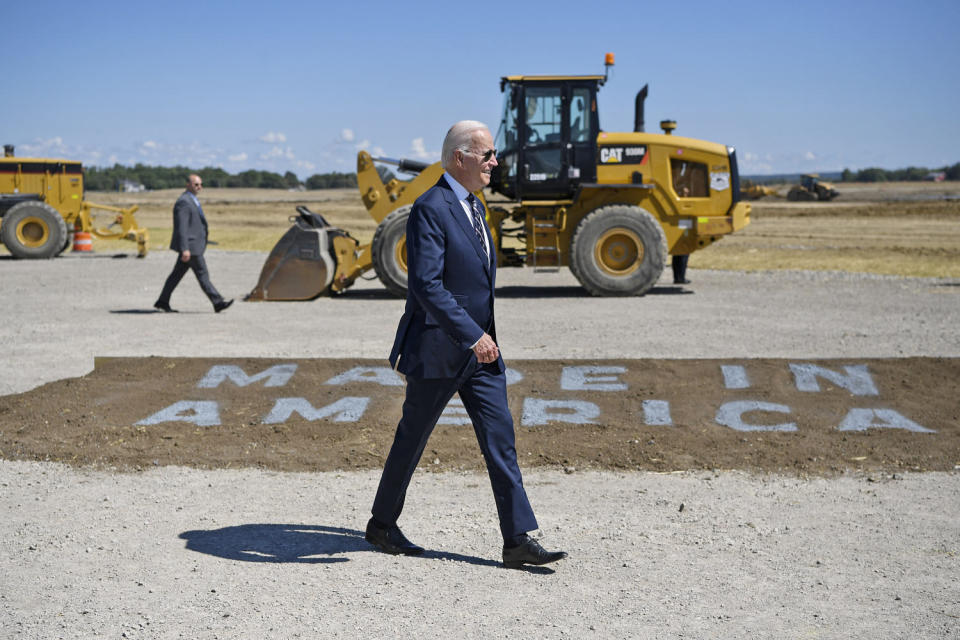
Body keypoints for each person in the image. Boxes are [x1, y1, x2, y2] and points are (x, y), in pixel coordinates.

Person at [366, 121, 567, 569]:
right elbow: (426, 285)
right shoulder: (430, 208)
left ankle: (516, 540)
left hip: (482, 353)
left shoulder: (476, 207)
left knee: (501, 440)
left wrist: (483, 338)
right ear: (460, 158)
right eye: (488, 155)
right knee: (411, 440)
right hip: (440, 348)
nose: (496, 162)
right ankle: (381, 525)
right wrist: (472, 335)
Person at [153, 174, 233, 313]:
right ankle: (218, 302)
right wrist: (185, 248)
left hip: (192, 247)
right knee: (203, 275)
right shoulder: (184, 202)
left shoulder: (192, 200)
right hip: (191, 247)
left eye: (201, 184)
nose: (199, 187)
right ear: (188, 185)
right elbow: (182, 228)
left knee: (175, 276)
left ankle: (162, 301)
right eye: (196, 184)